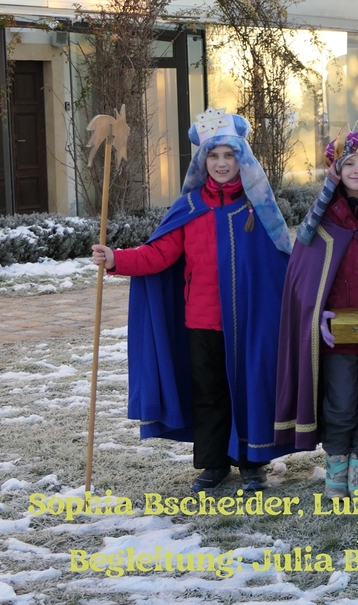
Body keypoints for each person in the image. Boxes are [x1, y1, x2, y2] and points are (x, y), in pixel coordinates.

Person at [91, 108, 293, 492]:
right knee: (208, 393)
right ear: (203, 160)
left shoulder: (260, 207)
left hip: (252, 321)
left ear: (242, 159)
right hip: (202, 319)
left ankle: (252, 461)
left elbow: (284, 260)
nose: (221, 163)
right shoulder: (189, 207)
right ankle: (214, 463)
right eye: (213, 156)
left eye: (229, 155)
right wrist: (117, 259)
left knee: (251, 389)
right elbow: (158, 254)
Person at [273, 124, 358, 498]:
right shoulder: (322, 223)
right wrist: (318, 316)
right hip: (334, 338)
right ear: (337, 170)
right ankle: (336, 468)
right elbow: (303, 282)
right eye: (350, 164)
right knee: (340, 402)